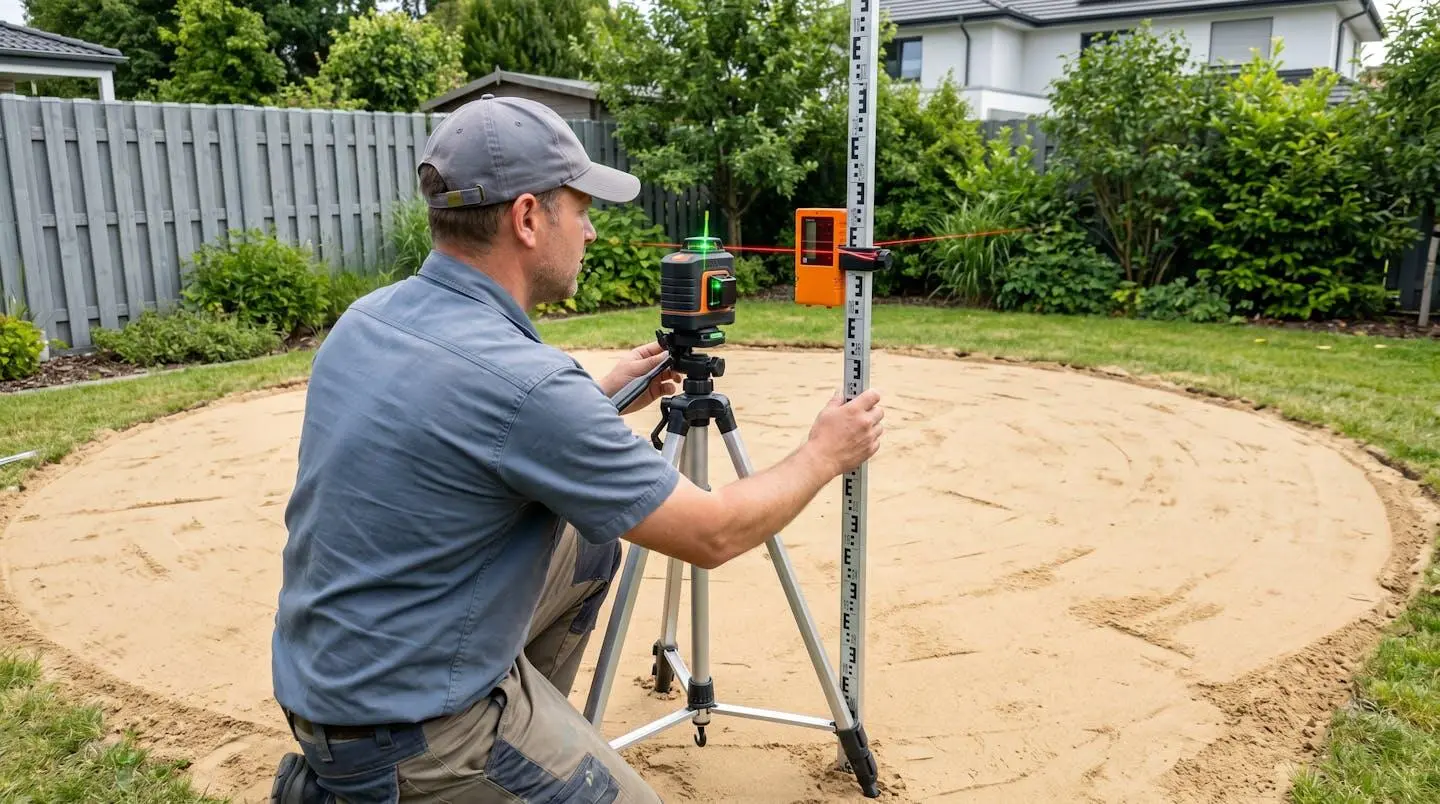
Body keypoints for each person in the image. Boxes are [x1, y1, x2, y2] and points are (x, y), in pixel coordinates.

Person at [267, 94, 885, 804]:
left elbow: (469, 430)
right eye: (581, 209)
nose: (590, 232)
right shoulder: (529, 385)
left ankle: (521, 745)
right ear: (528, 218)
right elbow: (711, 533)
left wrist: (600, 395)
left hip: (333, 677)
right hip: (414, 727)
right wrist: (824, 453)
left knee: (591, 548)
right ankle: (456, 772)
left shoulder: (367, 319)